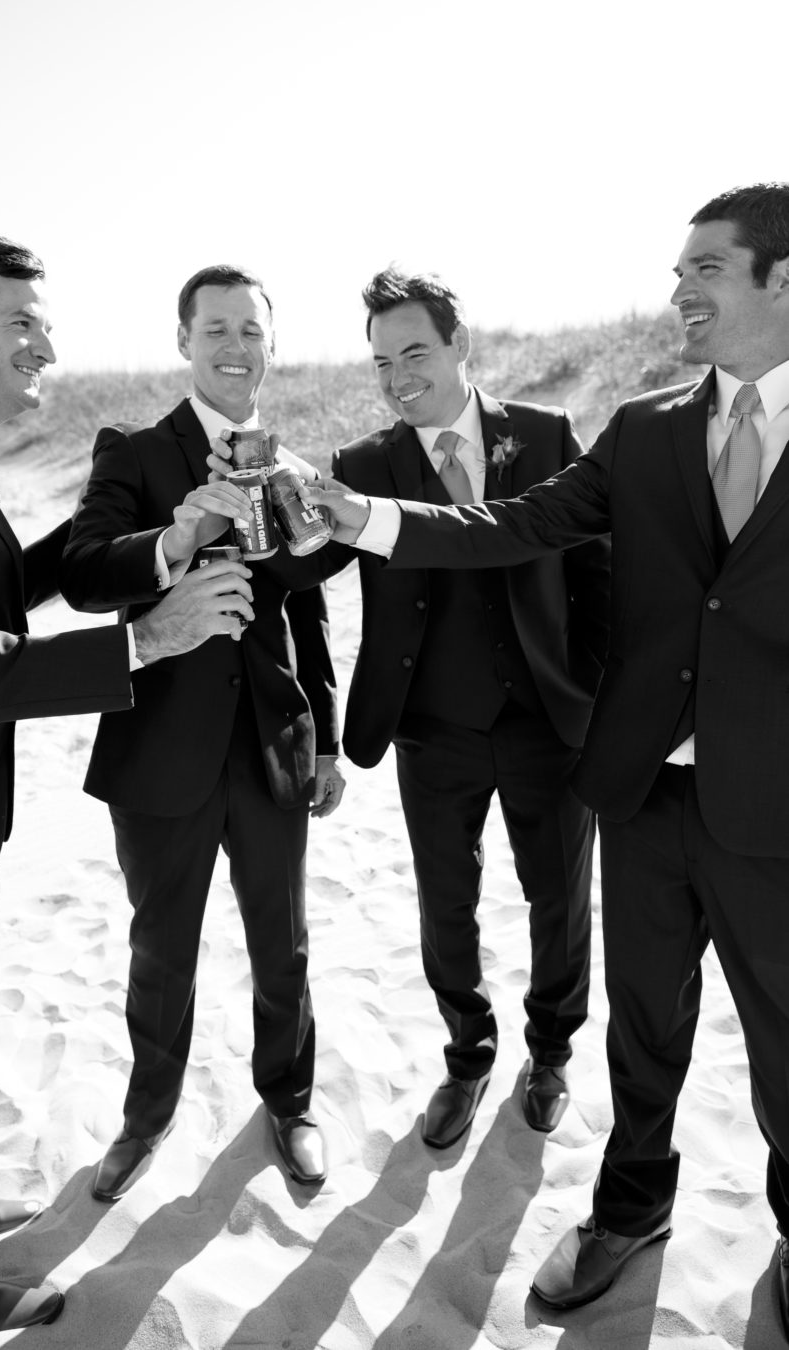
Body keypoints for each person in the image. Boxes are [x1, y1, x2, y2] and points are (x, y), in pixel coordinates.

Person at [305, 182, 789, 1338]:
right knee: (643, 1030)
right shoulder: (644, 429)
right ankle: (630, 1211)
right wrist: (364, 518)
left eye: (707, 268)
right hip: (643, 793)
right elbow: (515, 527)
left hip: (775, 804)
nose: (678, 290)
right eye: (677, 270)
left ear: (782, 280)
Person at [0, 230, 253, 1344]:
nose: (47, 347)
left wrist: (164, 544)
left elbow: (3, 582)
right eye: (22, 324)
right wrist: (149, 640)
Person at [60, 264, 345, 1203]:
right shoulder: (134, 452)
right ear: (183, 341)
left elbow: (308, 618)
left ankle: (291, 1104)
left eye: (250, 330)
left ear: (272, 346)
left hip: (272, 747)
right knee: (161, 949)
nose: (234, 346)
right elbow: (83, 574)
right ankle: (146, 1119)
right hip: (160, 750)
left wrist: (327, 740)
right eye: (215, 329)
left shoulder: (295, 467)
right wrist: (176, 541)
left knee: (284, 944)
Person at [325, 269, 610, 1148]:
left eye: (415, 351)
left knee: (558, 895)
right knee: (445, 902)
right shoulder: (360, 465)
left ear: (460, 346)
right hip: (430, 726)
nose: (398, 376)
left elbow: (597, 571)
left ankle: (551, 1051)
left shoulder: (545, 431)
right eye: (381, 362)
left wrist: (593, 684)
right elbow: (305, 570)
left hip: (547, 719)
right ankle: (468, 1051)